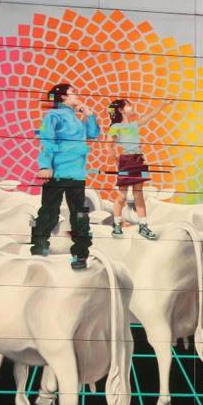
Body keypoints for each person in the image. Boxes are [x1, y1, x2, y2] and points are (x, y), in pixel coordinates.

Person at [31, 83, 99, 269]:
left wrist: (89, 114)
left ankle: (80, 254)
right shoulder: (53, 116)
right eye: (72, 93)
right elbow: (47, 140)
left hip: (77, 173)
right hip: (57, 172)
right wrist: (45, 165)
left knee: (79, 214)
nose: (76, 96)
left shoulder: (77, 118)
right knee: (49, 211)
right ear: (63, 97)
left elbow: (93, 134)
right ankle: (39, 247)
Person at [106, 98, 173, 239]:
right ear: (121, 110)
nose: (132, 107)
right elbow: (108, 145)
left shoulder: (134, 125)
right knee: (122, 196)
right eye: (129, 105)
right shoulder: (115, 127)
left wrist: (162, 104)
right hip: (126, 160)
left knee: (138, 195)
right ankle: (117, 224)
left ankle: (143, 226)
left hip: (138, 160)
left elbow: (150, 116)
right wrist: (118, 161)